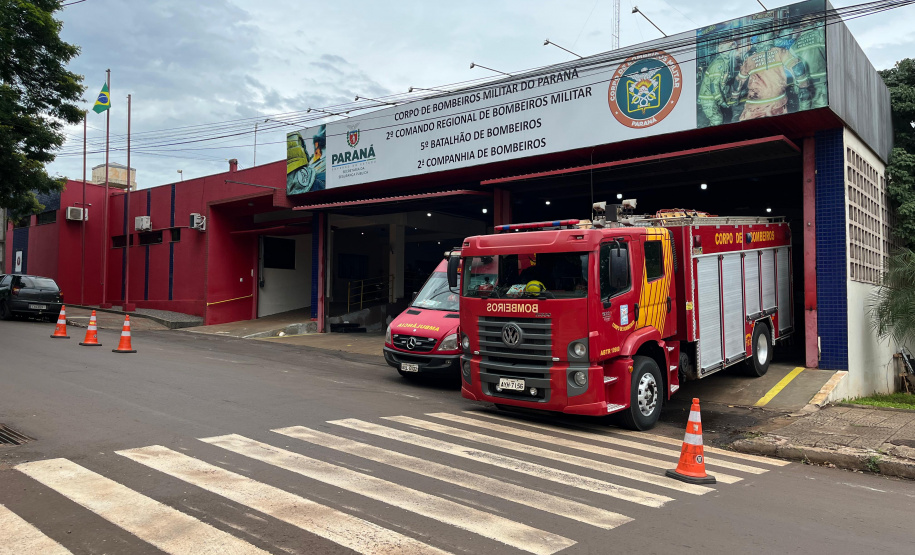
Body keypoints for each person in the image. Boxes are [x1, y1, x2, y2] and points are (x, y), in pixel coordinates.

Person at [729, 33, 809, 121]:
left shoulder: (750, 60)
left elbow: (738, 81)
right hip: (777, 104)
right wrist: (803, 88)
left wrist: (734, 97)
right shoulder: (780, 52)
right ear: (772, 39)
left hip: (755, 106)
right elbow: (797, 68)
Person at [789, 14, 827, 110]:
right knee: (822, 115)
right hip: (821, 83)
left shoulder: (794, 45)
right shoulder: (821, 35)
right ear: (814, 23)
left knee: (805, 118)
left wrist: (797, 86)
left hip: (803, 87)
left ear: (802, 26)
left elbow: (792, 68)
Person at [698, 41, 738, 126]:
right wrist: (721, 101)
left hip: (712, 98)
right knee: (717, 121)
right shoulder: (719, 63)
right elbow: (714, 86)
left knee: (722, 119)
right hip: (708, 99)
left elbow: (721, 82)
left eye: (732, 48)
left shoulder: (725, 61)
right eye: (729, 48)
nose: (732, 50)